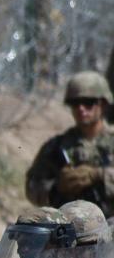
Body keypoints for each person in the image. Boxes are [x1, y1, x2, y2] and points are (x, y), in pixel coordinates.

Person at [25, 71, 114, 214]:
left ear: (102, 104)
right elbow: (32, 187)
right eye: (75, 103)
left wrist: (99, 175)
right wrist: (56, 187)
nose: (81, 108)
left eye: (88, 102)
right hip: (69, 226)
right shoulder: (56, 147)